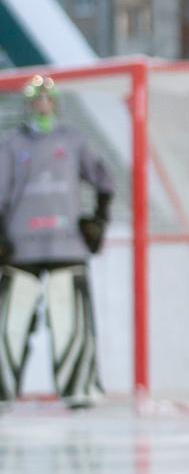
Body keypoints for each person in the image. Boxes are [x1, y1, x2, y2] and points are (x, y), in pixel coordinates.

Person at [0, 75, 114, 411]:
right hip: (21, 249)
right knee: (10, 322)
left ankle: (79, 388)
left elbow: (104, 182)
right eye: (36, 98)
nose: (42, 105)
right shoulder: (12, 144)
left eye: (47, 98)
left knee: (70, 320)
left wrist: (99, 219)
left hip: (66, 246)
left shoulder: (74, 140)